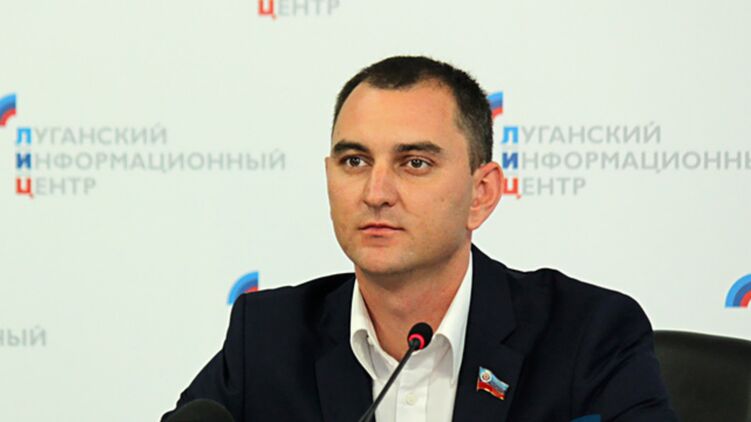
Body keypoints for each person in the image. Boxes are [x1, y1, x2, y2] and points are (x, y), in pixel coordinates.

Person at [163, 56, 677, 422]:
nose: (376, 193)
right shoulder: (266, 337)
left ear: (481, 194)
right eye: (354, 161)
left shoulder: (587, 333)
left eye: (414, 163)